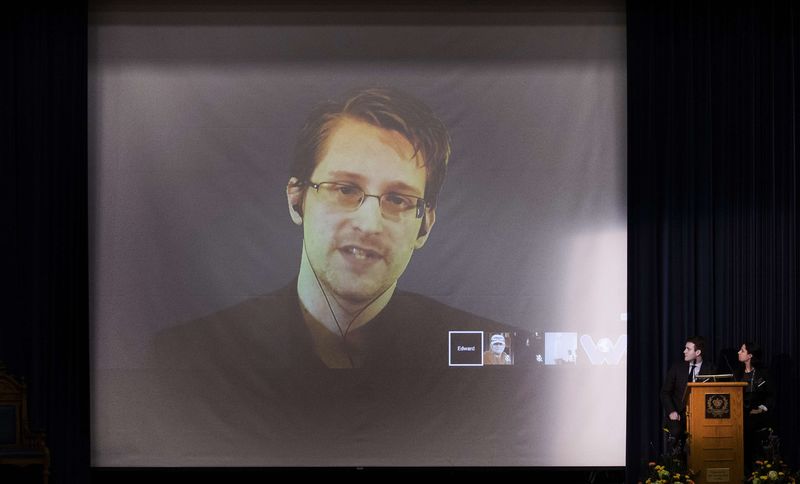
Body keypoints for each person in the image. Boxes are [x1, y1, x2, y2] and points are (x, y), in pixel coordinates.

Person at [155, 87, 519, 369]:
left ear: (424, 227)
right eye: (345, 190)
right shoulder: (182, 357)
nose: (368, 223)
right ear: (297, 199)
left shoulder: (495, 354)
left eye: (398, 199)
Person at [660, 336, 716, 448]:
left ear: (698, 352)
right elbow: (665, 392)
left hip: (701, 416)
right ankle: (677, 463)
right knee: (676, 432)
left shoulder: (711, 369)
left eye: (688, 349)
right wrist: (672, 412)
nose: (684, 351)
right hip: (678, 415)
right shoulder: (677, 368)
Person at [734, 342, 776, 465]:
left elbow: (772, 395)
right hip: (740, 414)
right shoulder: (737, 373)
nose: (738, 352)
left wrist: (761, 408)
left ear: (750, 355)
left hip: (758, 414)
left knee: (748, 428)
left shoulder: (763, 373)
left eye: (742, 350)